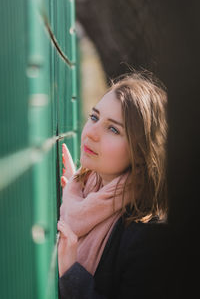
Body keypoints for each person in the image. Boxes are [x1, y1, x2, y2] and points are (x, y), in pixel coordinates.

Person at [57, 72, 171, 299]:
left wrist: (71, 274)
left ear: (140, 153)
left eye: (113, 129)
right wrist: (75, 193)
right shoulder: (85, 192)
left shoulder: (148, 235)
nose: (91, 133)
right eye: (94, 117)